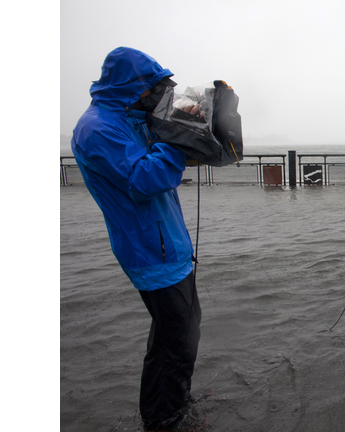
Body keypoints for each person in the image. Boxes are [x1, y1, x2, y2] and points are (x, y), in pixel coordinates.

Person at [71, 47, 204, 432]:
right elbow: (146, 179)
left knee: (182, 330)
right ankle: (162, 419)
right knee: (172, 341)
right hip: (150, 250)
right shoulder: (97, 128)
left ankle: (176, 401)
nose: (158, 99)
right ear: (134, 88)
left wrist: (186, 124)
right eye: (154, 91)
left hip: (171, 245)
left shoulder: (131, 119)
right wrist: (177, 138)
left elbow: (171, 156)